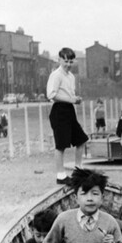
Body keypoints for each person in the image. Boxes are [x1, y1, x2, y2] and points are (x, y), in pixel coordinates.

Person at [46, 47, 88, 185]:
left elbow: (69, 94)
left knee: (81, 139)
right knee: (61, 144)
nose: (68, 64)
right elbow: (51, 95)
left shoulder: (71, 76)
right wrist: (70, 100)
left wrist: (75, 99)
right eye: (66, 61)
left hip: (69, 110)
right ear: (59, 60)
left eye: (71, 61)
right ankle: (61, 175)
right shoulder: (56, 75)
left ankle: (78, 170)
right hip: (59, 111)